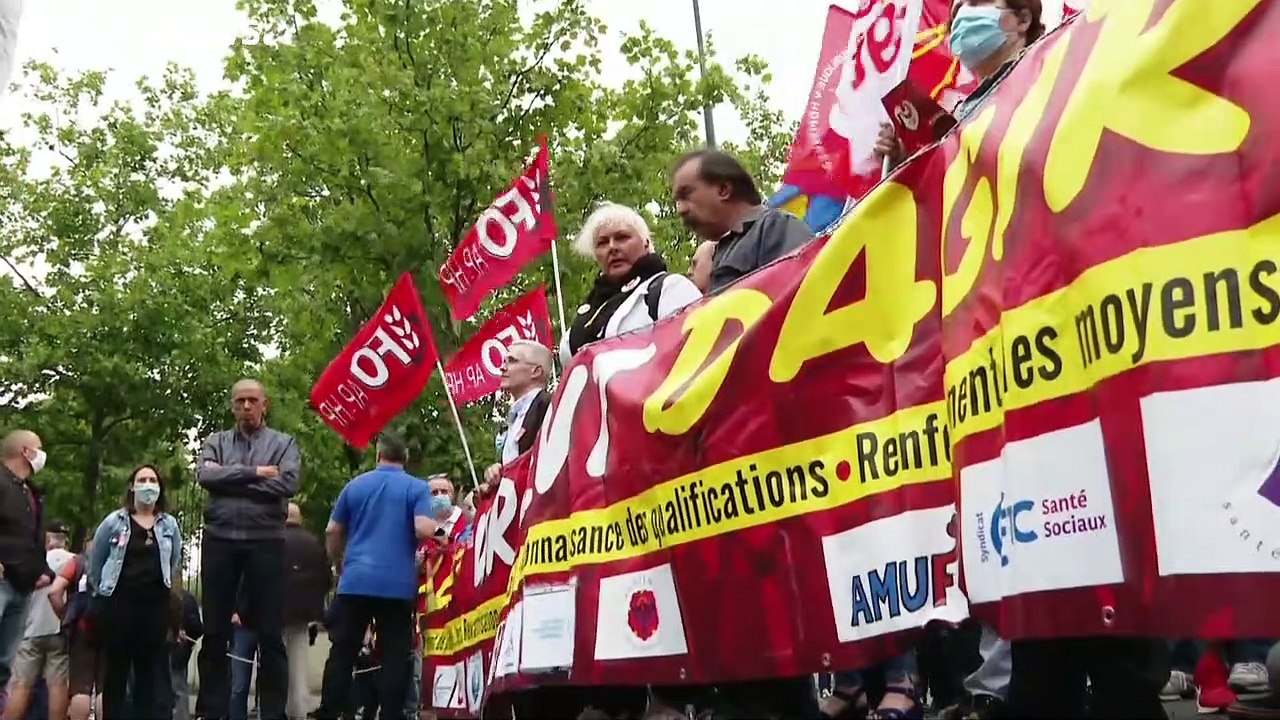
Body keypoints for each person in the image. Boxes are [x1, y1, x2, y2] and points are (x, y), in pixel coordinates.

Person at [196, 378, 301, 720]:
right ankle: (212, 712)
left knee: (271, 633)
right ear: (232, 406)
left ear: (264, 404)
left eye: (252, 400)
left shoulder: (284, 443)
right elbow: (205, 477)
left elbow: (287, 483)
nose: (245, 407)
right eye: (239, 401)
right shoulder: (216, 442)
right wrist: (256, 474)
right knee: (214, 632)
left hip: (266, 540)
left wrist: (230, 479)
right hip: (220, 539)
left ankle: (273, 713)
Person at [313, 433, 439, 720]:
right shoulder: (416, 488)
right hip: (396, 584)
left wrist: (338, 562)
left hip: (355, 579)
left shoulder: (355, 486)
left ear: (378, 456)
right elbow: (424, 529)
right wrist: (439, 532)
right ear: (405, 459)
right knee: (395, 653)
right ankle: (391, 713)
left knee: (343, 651)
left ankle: (329, 711)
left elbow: (332, 530)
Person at [874, 0, 1046, 170]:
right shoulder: (957, 121)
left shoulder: (1051, 76)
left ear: (1023, 20)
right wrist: (901, 161)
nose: (964, 14)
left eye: (978, 2)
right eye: (957, 11)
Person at [87, 464, 183, 720]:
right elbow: (96, 562)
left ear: (160, 488)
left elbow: (172, 560)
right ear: (132, 486)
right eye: (142, 479)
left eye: (153, 480)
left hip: (154, 606)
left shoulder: (169, 525)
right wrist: (103, 594)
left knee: (148, 674)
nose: (148, 484)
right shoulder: (113, 522)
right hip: (119, 604)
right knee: (116, 672)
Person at [560, 201, 702, 367]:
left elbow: (698, 352)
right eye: (602, 243)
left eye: (622, 237)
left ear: (646, 244)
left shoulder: (670, 289)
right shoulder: (586, 315)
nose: (612, 247)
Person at [670, 148, 814, 293]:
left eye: (686, 194)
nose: (680, 209)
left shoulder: (775, 227)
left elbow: (804, 294)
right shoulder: (721, 252)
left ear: (723, 190)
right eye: (678, 201)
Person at [0, 430, 55, 715]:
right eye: (39, 448)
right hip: (2, 582)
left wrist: (43, 570)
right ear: (25, 451)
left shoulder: (30, 492)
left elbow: (32, 538)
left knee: (4, 663)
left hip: (21, 587)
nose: (42, 454)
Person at [6, 523, 74, 720]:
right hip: (58, 630)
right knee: (58, 685)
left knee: (21, 685)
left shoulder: (33, 562)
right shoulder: (73, 561)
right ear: (65, 540)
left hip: (30, 631)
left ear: (47, 539)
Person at [482, 339, 553, 493]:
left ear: (536, 371)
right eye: (504, 361)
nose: (502, 367)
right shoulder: (512, 421)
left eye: (512, 361)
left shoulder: (550, 406)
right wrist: (498, 471)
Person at [282, 502, 329, 720]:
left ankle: (276, 708)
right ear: (299, 519)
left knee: (274, 665)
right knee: (298, 666)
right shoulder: (313, 543)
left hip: (274, 612)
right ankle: (298, 711)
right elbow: (325, 580)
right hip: (303, 615)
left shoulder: (273, 540)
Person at [48, 538, 95, 720]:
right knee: (105, 690)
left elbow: (54, 591)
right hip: (109, 629)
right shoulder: (114, 565)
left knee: (81, 687)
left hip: (82, 629)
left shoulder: (78, 562)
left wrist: (65, 616)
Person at [171, 586, 203, 720]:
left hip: (175, 654)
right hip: (172, 653)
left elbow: (196, 629)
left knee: (178, 690)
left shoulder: (185, 600)